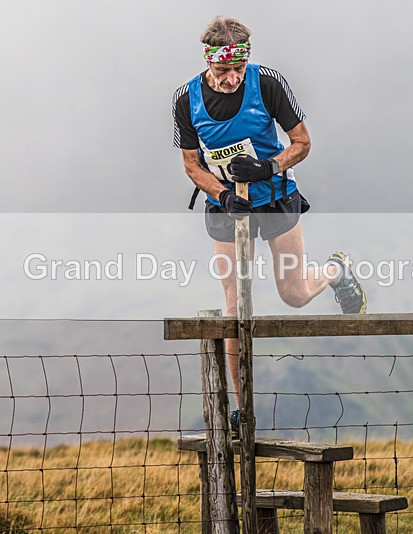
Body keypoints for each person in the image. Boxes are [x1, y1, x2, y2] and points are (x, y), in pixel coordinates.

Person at [172, 16, 366, 438]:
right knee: (234, 304)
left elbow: (303, 143)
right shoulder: (185, 99)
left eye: (238, 69)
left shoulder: (268, 83)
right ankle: (243, 409)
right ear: (208, 63)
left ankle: (335, 271)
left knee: (292, 294)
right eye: (223, 71)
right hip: (225, 205)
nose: (231, 79)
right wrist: (222, 194)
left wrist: (267, 166)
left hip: (275, 195)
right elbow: (190, 164)